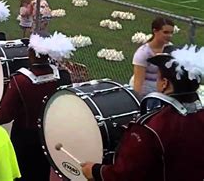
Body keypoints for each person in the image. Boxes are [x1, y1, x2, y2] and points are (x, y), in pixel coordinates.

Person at [81, 45, 204, 181]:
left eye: (158, 78)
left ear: (164, 83)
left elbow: (124, 175)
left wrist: (95, 171)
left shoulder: (150, 127)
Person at [0, 32, 75, 181]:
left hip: (24, 138)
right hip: (49, 136)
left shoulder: (20, 80)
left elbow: (4, 116)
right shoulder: (63, 76)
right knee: (42, 172)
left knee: (21, 173)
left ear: (32, 53)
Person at [132, 17, 174, 105]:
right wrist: (138, 103)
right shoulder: (143, 53)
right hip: (146, 95)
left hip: (164, 93)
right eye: (165, 32)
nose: (169, 36)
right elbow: (138, 83)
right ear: (155, 31)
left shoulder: (170, 48)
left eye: (171, 33)